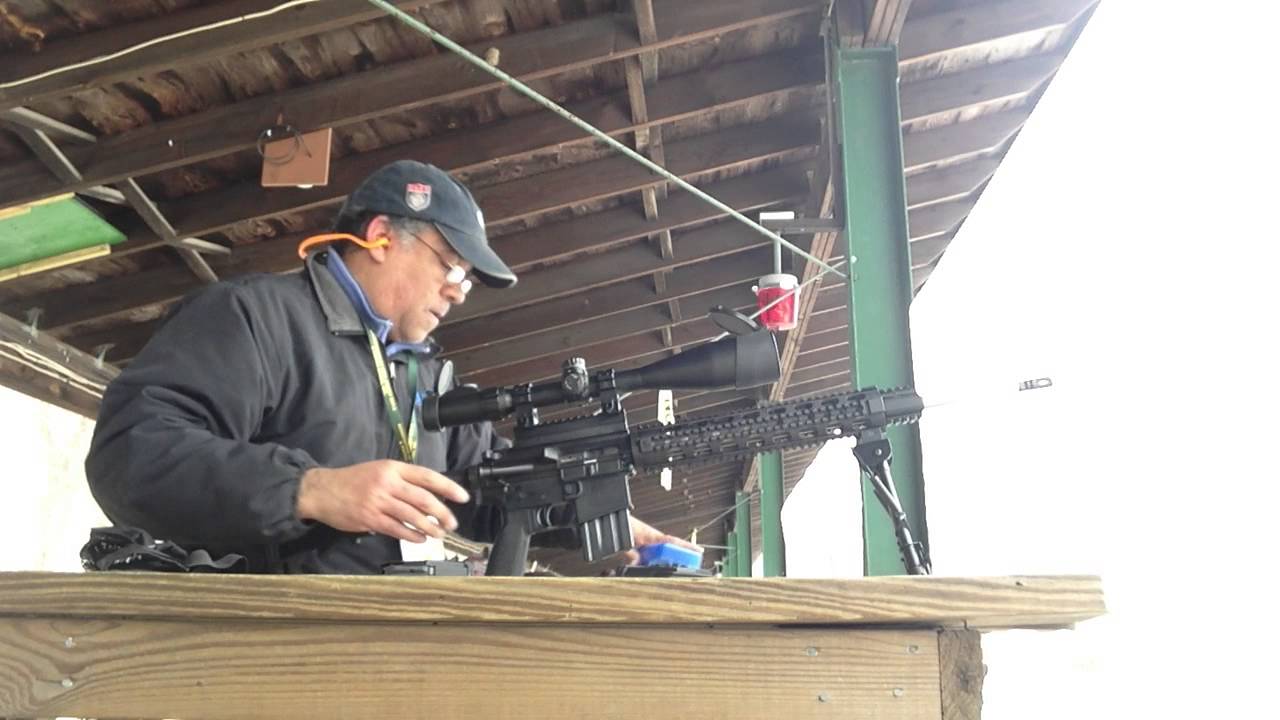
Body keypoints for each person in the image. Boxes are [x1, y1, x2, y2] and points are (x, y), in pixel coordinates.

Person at [85, 160, 693, 574]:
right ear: (379, 236)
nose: (459, 290)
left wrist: (605, 521)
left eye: (468, 281)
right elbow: (128, 455)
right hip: (249, 655)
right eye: (451, 265)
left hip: (381, 653)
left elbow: (484, 497)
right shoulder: (257, 317)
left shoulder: (427, 378)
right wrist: (310, 490)